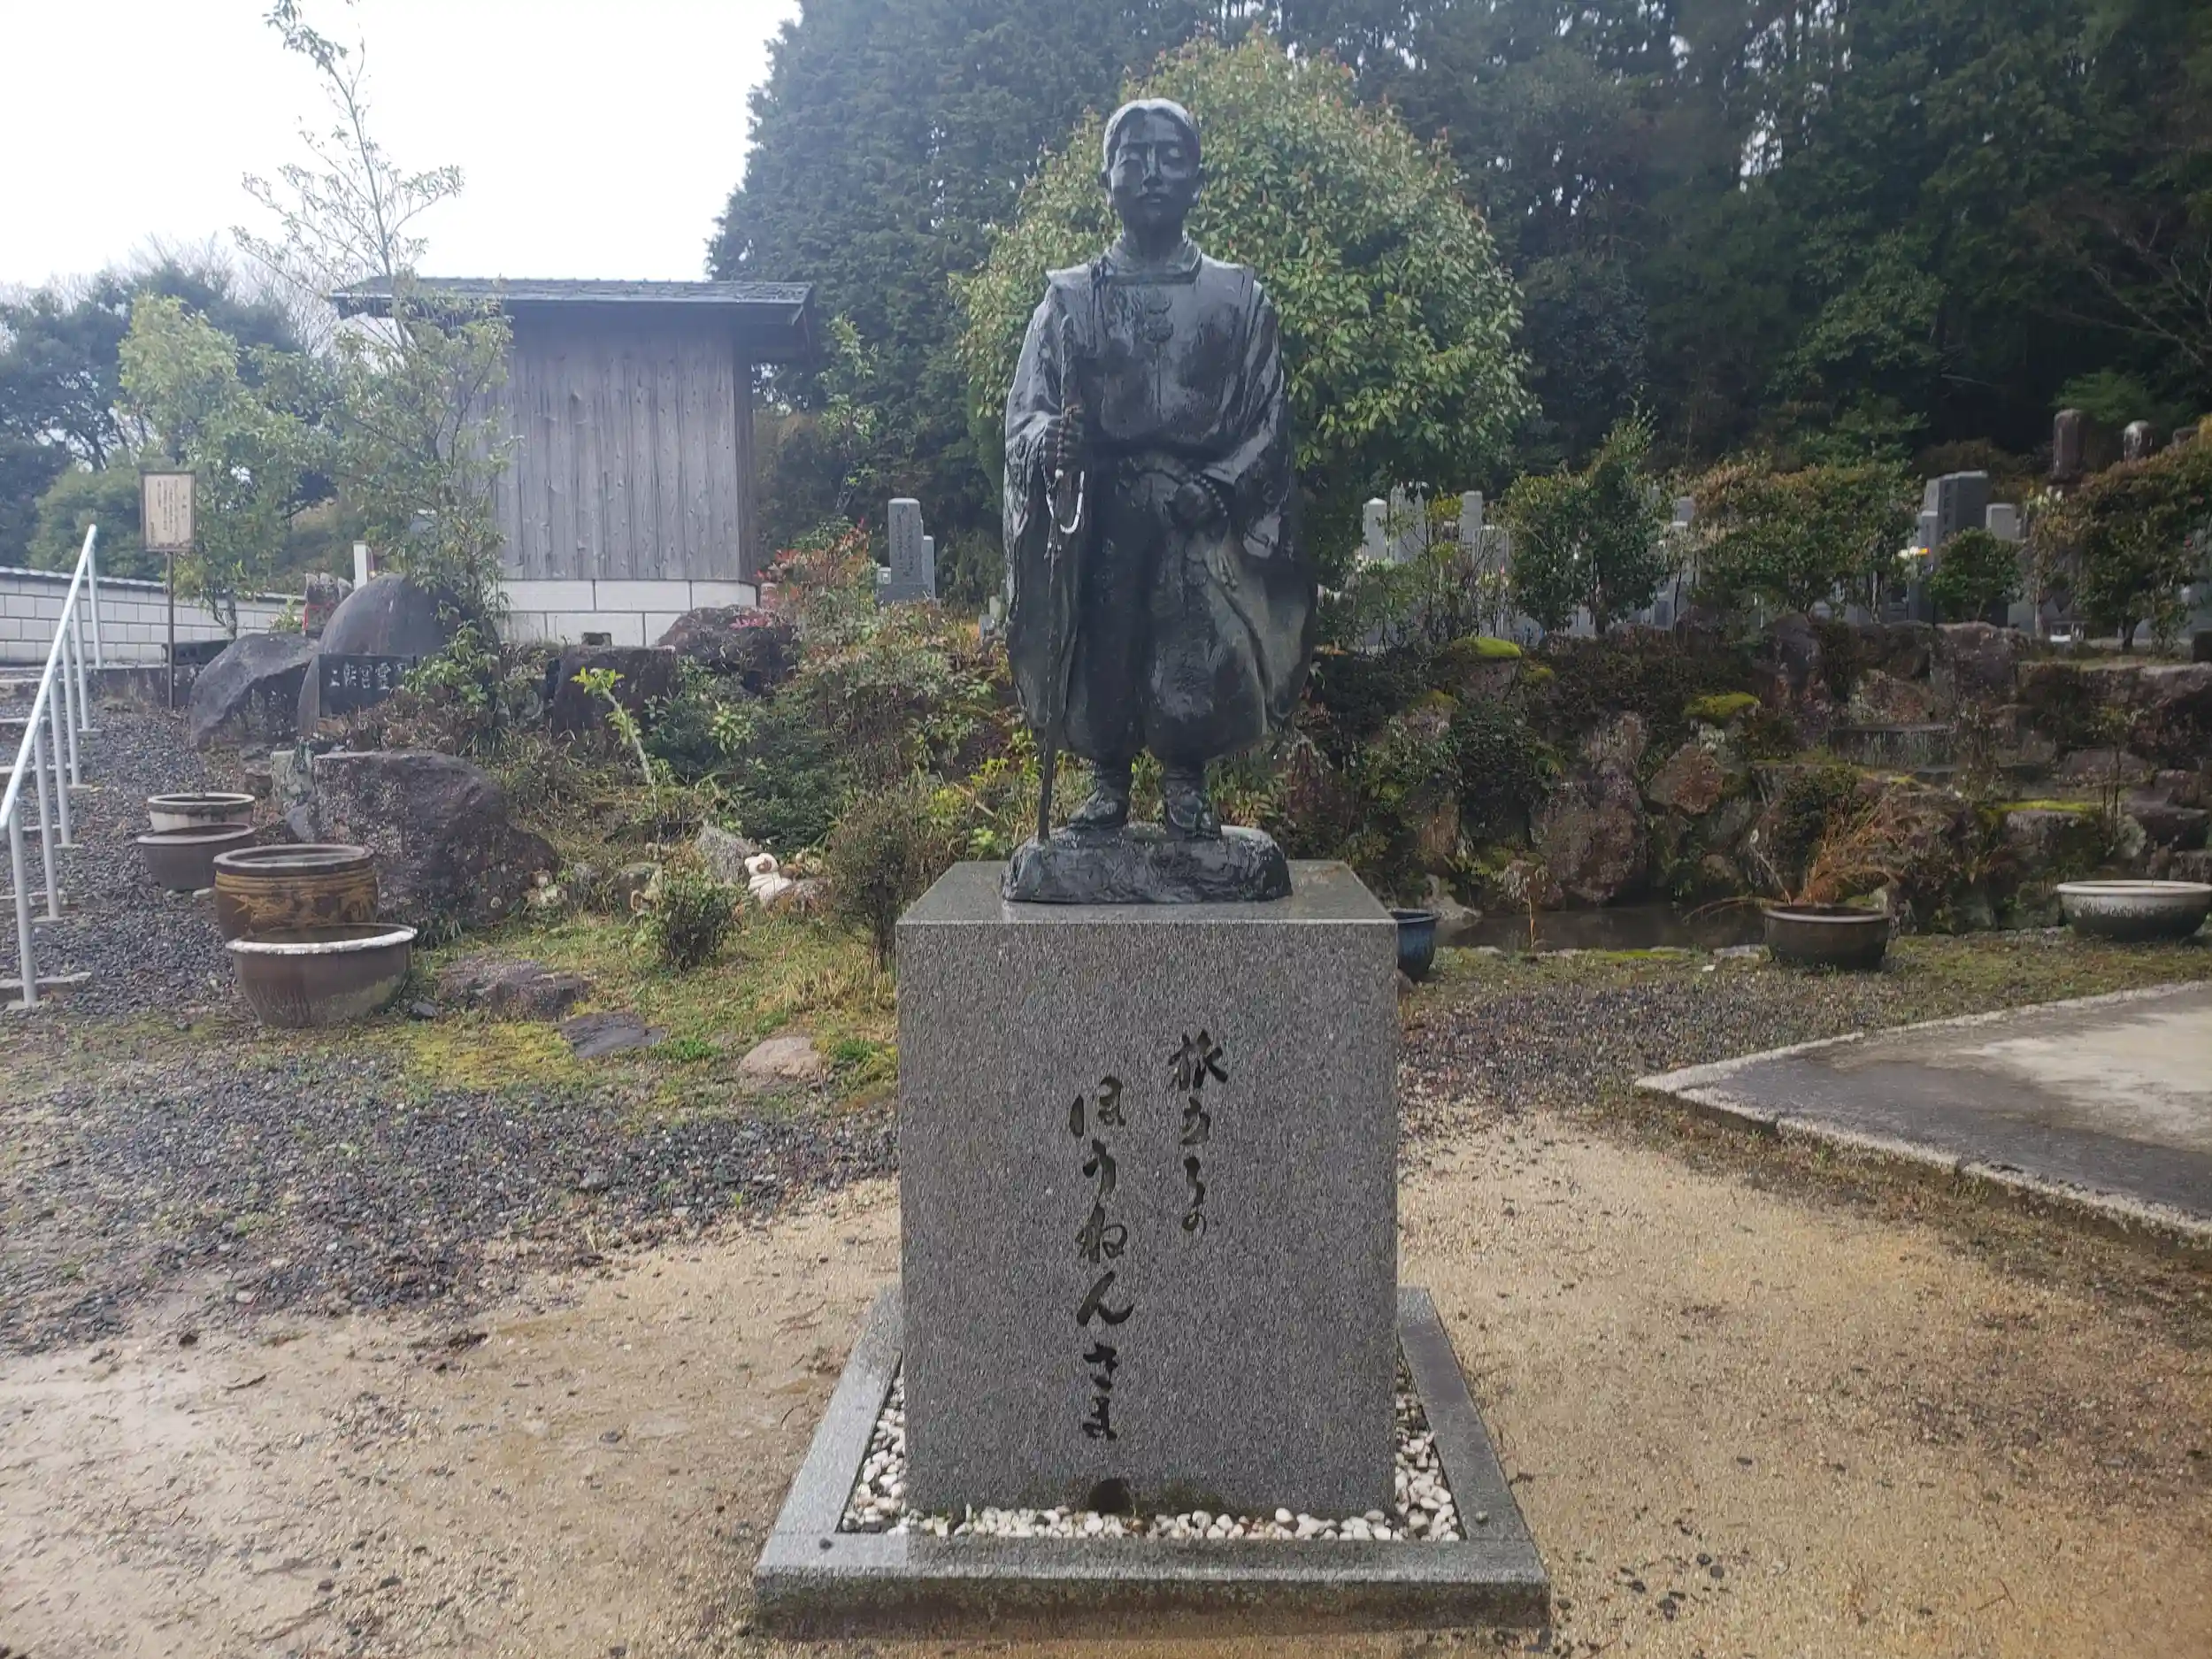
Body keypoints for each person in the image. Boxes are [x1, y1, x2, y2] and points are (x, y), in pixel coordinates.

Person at [1002, 97, 1313, 841]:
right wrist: (1052, 444)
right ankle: (1107, 780)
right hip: (1105, 509)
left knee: (1191, 646)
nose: (1150, 173)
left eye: (1170, 157)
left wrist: (1224, 483)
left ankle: (1185, 782)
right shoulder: (1070, 299)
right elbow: (1027, 411)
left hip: (1194, 510)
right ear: (1105, 177)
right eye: (1133, 157)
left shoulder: (1237, 298)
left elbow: (1269, 421)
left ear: (1197, 178)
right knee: (1103, 646)